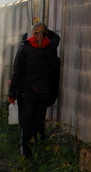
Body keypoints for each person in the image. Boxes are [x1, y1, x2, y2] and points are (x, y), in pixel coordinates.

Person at [8, 21, 61, 159]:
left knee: (26, 125)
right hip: (43, 92)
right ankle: (41, 154)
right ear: (45, 34)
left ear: (32, 33)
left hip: (26, 92)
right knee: (39, 124)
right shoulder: (50, 47)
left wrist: (12, 94)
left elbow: (17, 73)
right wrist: (45, 31)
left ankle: (27, 156)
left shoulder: (24, 49)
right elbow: (57, 37)